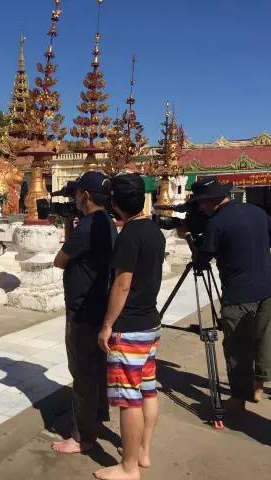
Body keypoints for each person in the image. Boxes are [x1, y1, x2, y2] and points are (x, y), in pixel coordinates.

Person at [190, 176, 271, 412]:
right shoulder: (255, 211)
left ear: (211, 200)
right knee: (265, 339)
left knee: (237, 347)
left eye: (201, 203)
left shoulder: (217, 222)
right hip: (266, 288)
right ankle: (258, 387)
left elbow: (202, 260)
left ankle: (238, 399)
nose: (200, 208)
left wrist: (189, 239)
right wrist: (253, 246)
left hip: (239, 294)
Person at [96, 173, 165, 480]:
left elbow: (122, 285)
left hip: (130, 326)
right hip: (150, 322)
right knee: (147, 390)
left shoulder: (129, 235)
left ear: (115, 203)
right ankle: (143, 452)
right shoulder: (154, 230)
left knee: (128, 399)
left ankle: (129, 466)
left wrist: (107, 324)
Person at [51, 171, 117, 454]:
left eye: (78, 194)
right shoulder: (107, 222)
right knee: (96, 370)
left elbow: (60, 260)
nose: (75, 198)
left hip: (82, 310)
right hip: (99, 304)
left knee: (82, 373)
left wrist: (72, 227)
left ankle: (82, 436)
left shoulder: (88, 225)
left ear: (85, 196)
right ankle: (96, 419)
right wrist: (70, 224)